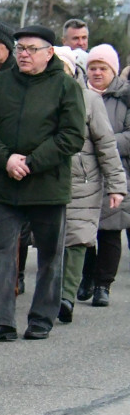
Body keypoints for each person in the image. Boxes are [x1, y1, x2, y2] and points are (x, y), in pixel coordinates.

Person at [0, 25, 85, 342]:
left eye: (31, 49)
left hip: (48, 185)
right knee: (1, 252)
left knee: (49, 254)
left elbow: (72, 135)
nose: (23, 54)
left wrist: (32, 163)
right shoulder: (1, 84)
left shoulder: (65, 86)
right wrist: (6, 159)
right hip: (6, 184)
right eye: (20, 48)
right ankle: (1, 321)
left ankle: (41, 317)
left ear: (49, 52)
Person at [51, 46, 125, 324]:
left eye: (63, 67)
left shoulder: (90, 99)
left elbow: (106, 144)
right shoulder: (38, 99)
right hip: (47, 178)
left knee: (78, 237)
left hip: (84, 180)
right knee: (50, 239)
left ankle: (66, 297)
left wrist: (117, 185)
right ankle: (52, 293)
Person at [79, 45, 130, 309]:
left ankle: (103, 285)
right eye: (93, 67)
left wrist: (104, 141)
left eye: (103, 68)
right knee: (84, 228)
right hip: (84, 172)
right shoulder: (79, 95)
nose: (97, 72)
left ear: (114, 70)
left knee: (110, 230)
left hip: (117, 170)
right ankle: (85, 277)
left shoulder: (125, 97)